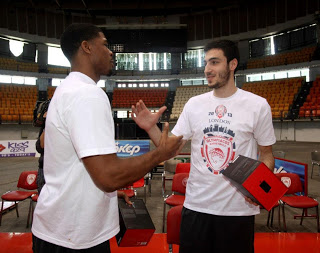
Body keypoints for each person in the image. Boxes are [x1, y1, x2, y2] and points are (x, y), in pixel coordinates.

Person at [31, 23, 183, 253]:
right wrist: (160, 154)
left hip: (61, 229)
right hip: (73, 238)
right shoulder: (87, 94)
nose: (111, 52)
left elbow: (80, 168)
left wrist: (107, 196)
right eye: (104, 45)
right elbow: (108, 176)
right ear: (86, 47)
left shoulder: (66, 90)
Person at [132, 40, 276, 253]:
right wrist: (150, 129)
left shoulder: (257, 105)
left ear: (232, 64)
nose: (207, 69)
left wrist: (260, 191)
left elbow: (267, 156)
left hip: (238, 212)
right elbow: (169, 148)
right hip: (197, 208)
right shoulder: (194, 104)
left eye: (215, 62)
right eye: (206, 63)